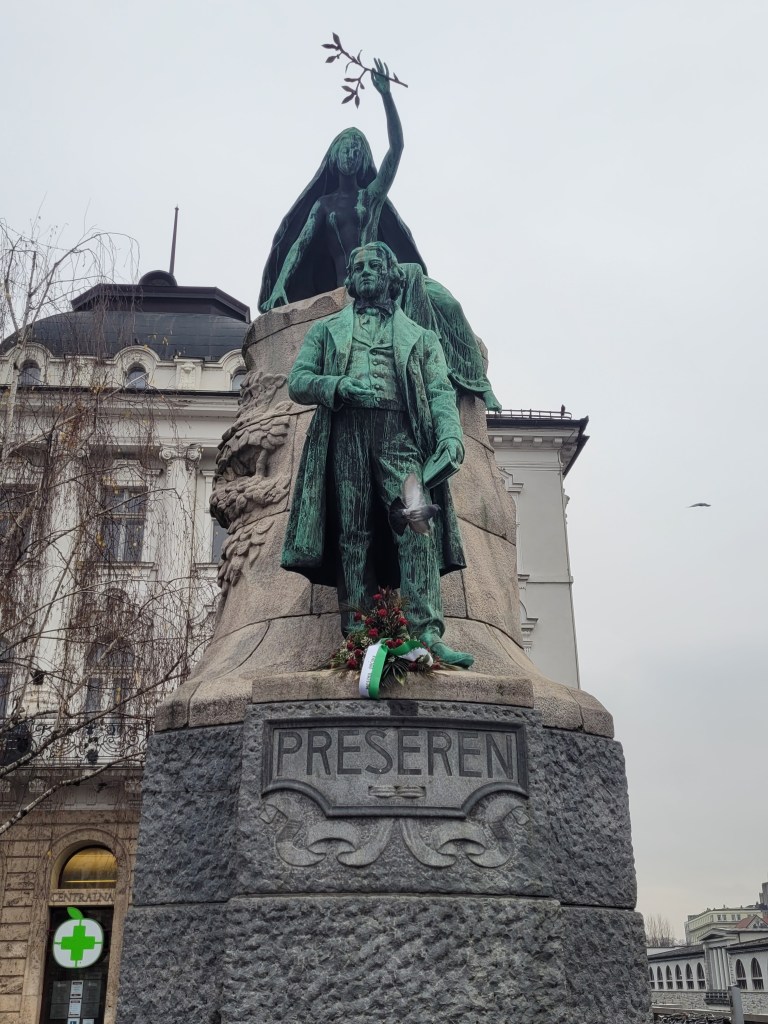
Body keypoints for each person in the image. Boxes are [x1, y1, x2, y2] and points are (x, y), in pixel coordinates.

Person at [259, 61, 501, 412]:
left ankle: (477, 381)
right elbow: (299, 245)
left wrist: (386, 97)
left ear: (363, 159)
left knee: (448, 302)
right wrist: (280, 284)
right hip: (354, 283)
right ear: (333, 157)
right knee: (417, 282)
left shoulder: (370, 197)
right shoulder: (323, 206)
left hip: (388, 278)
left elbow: (396, 149)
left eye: (357, 150)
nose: (351, 154)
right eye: (345, 148)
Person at [281, 242, 474, 668]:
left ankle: (427, 633)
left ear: (390, 275)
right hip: (346, 430)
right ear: (350, 279)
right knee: (353, 533)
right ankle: (359, 634)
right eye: (359, 266)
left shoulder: (421, 336)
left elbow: (440, 391)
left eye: (375, 265)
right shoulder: (326, 330)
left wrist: (451, 435)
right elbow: (298, 381)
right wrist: (335, 385)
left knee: (418, 523)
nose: (366, 271)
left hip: (399, 434)